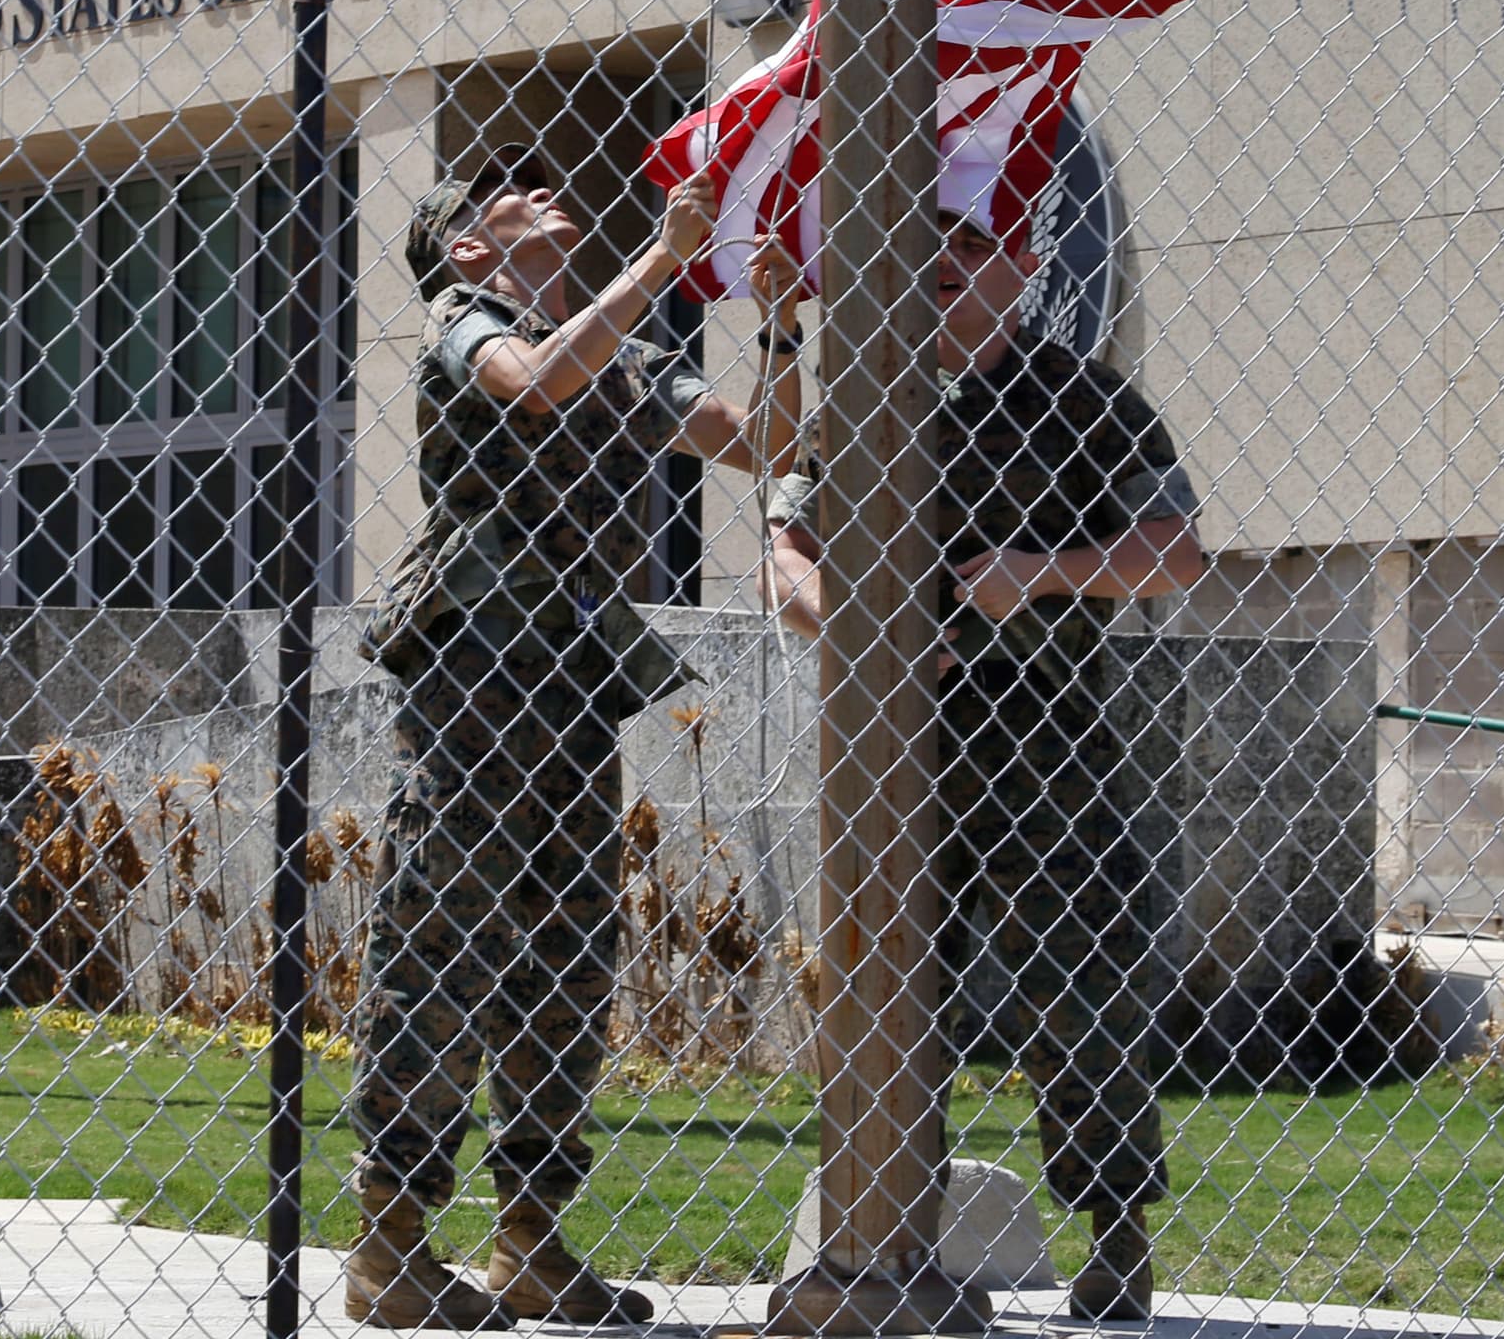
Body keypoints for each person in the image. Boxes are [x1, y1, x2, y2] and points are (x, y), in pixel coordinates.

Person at [347, 154, 805, 1330]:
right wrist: (667, 257)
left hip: (570, 677)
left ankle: (532, 1238)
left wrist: (782, 319)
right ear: (467, 247)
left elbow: (761, 443)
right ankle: (390, 1246)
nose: (547, 195)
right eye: (510, 193)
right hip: (476, 676)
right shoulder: (472, 320)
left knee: (566, 956)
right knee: (442, 945)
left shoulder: (624, 351)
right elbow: (537, 384)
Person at [762, 210, 1205, 1321]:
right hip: (897, 750)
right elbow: (786, 553)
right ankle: (888, 1232)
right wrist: (861, 627)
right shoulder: (868, 399)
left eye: (973, 250)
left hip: (1044, 749)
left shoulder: (1085, 399)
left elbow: (1176, 552)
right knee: (892, 993)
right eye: (931, 249)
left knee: (1080, 987)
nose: (949, 269)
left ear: (1022, 271)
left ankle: (1116, 1229)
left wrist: (1041, 573)